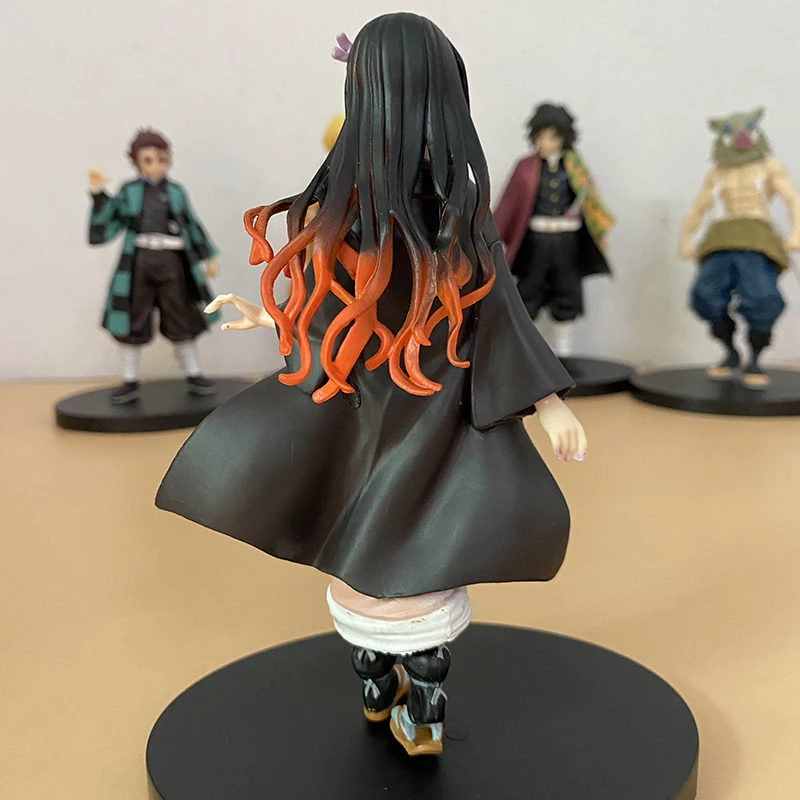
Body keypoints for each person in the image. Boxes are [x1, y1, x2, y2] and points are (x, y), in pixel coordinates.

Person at [156, 13, 587, 756]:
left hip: (435, 410)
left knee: (414, 549)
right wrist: (272, 316)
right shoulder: (341, 210)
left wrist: (547, 402)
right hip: (363, 405)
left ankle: (417, 700)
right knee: (368, 546)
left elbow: (501, 315)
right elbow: (326, 306)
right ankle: (385, 685)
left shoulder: (458, 217)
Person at [87, 129, 219, 403]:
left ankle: (193, 373)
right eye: (148, 160)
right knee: (132, 319)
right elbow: (112, 214)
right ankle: (130, 380)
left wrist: (208, 256)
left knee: (182, 316)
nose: (156, 166)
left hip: (173, 262)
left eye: (162, 159)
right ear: (136, 162)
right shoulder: (130, 192)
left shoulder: (176, 192)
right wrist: (99, 194)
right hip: (140, 263)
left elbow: (191, 224)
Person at [680, 107, 800, 388]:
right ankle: (730, 352)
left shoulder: (769, 167)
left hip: (756, 236)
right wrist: (685, 238)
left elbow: (792, 199)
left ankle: (755, 358)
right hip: (722, 236)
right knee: (705, 295)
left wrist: (797, 232)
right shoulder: (717, 173)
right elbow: (698, 208)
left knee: (762, 298)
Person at [493, 103, 613, 356]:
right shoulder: (525, 167)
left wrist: (598, 232)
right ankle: (525, 355)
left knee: (566, 293)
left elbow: (591, 205)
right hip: (536, 242)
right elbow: (508, 205)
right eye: (541, 136)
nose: (545, 143)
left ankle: (563, 353)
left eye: (552, 137)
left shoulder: (576, 168)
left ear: (564, 138)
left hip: (566, 242)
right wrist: (494, 238)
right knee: (528, 294)